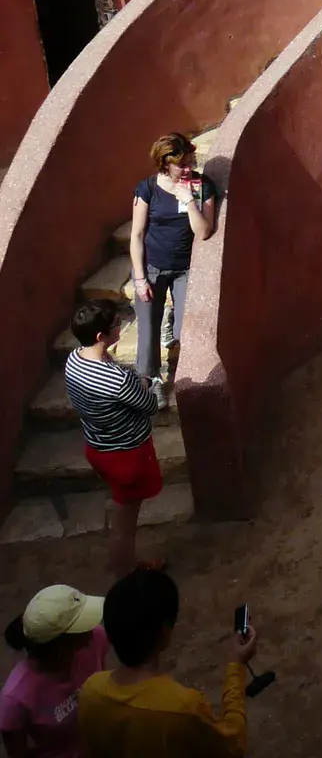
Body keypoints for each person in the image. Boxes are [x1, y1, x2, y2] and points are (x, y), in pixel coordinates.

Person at [78, 570, 257, 756]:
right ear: (164, 632)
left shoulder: (90, 691)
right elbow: (233, 744)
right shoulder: (180, 708)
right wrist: (236, 664)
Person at [63, 302, 162, 578]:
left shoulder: (74, 359)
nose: (122, 326)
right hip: (126, 455)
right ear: (100, 336)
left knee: (122, 506)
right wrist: (142, 384)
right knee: (126, 521)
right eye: (117, 324)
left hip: (99, 446)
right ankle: (125, 569)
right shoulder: (115, 379)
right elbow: (150, 405)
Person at [129, 134, 217, 387]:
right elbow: (136, 234)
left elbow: (203, 231)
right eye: (183, 164)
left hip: (185, 269)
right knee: (147, 329)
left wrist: (189, 200)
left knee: (184, 331)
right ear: (165, 163)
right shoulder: (148, 188)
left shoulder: (202, 185)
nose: (189, 168)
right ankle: (151, 379)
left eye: (191, 161)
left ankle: (172, 321)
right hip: (153, 266)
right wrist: (139, 277)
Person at [0, 587, 107, 757]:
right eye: (81, 627)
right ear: (59, 644)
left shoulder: (96, 639)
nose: (91, 629)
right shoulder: (15, 699)